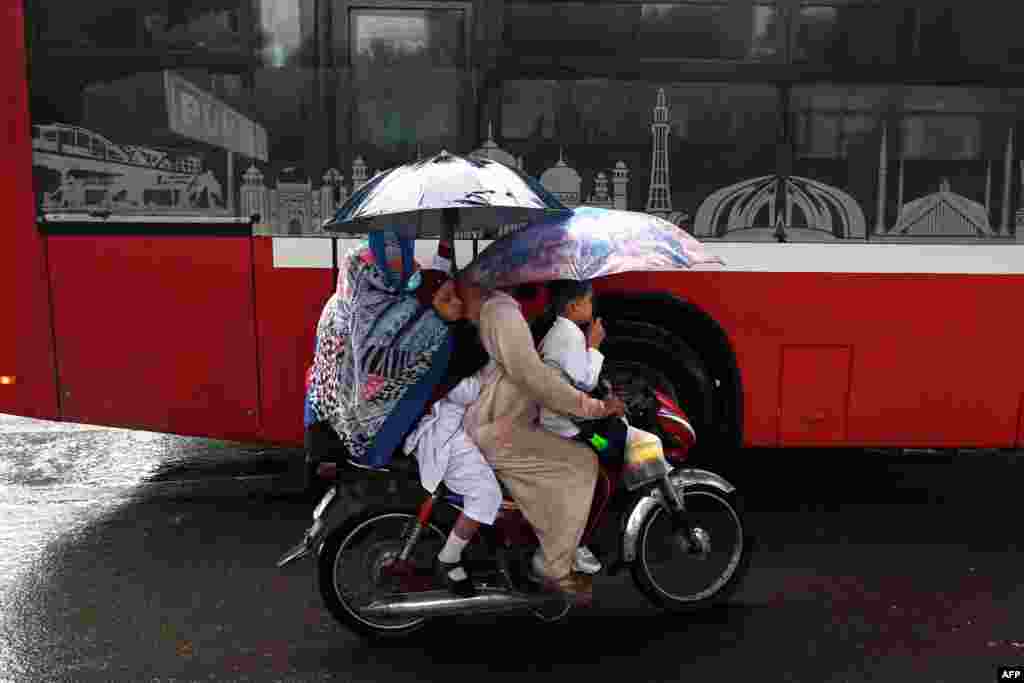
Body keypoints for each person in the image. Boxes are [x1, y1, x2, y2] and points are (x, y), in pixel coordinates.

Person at [457, 274, 626, 606]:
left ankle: (541, 543)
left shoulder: (502, 308)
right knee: (582, 462)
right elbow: (537, 380)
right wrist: (597, 408)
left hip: (500, 417)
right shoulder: (504, 312)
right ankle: (551, 565)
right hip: (500, 427)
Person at [304, 230, 463, 473]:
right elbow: (420, 347)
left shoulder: (338, 302)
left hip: (321, 425)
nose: (414, 267)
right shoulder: (399, 312)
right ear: (384, 269)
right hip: (363, 437)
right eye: (406, 262)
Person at [535, 279, 625, 576]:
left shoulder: (562, 332)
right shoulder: (567, 335)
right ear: (573, 307)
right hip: (566, 430)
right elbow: (585, 380)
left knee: (606, 451)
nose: (592, 306)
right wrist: (595, 344)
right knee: (605, 472)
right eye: (589, 301)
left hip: (568, 422)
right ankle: (577, 543)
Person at [403, 362, 500, 597]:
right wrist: (491, 384)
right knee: (487, 494)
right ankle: (449, 558)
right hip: (445, 433)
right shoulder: (462, 340)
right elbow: (459, 389)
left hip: (458, 426)